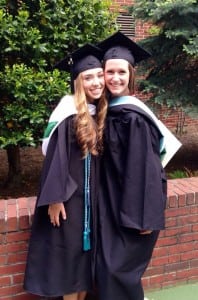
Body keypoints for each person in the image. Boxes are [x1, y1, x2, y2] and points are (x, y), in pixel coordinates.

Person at [23, 43, 107, 300]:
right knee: (70, 264)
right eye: (88, 77)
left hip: (90, 202)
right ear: (77, 82)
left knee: (84, 264)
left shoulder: (98, 112)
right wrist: (55, 199)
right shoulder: (68, 113)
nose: (96, 82)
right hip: (70, 201)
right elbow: (56, 160)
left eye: (99, 75)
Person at [95, 31, 167, 300]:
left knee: (116, 270)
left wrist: (145, 216)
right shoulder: (106, 110)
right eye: (109, 71)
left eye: (121, 72)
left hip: (133, 210)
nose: (115, 78)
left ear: (131, 75)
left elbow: (146, 170)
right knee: (106, 269)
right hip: (110, 206)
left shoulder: (133, 117)